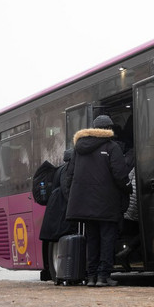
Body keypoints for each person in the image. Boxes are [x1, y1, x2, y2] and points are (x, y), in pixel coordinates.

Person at [64, 115, 130, 287]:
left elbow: (69, 175)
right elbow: (120, 175)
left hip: (85, 204)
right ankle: (103, 276)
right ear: (108, 129)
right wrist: (128, 188)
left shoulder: (79, 149)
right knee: (107, 239)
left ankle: (91, 276)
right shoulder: (111, 147)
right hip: (107, 203)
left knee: (92, 239)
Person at [39, 149, 75, 282]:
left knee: (57, 239)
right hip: (61, 210)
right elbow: (67, 191)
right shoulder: (67, 170)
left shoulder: (61, 169)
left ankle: (59, 274)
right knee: (62, 239)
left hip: (55, 210)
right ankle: (62, 274)